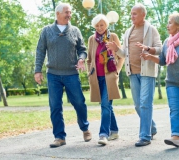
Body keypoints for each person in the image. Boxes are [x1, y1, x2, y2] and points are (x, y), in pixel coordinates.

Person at [140, 13, 179, 147]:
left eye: (170, 23)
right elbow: (162, 60)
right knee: (174, 109)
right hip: (173, 82)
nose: (167, 25)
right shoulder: (167, 42)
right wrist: (150, 57)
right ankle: (175, 137)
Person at [34, 2, 91, 148]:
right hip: (53, 74)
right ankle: (59, 137)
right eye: (67, 12)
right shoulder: (46, 31)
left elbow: (82, 49)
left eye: (70, 12)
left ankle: (85, 128)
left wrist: (81, 59)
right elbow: (40, 51)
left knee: (79, 102)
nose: (69, 14)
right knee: (55, 106)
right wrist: (37, 70)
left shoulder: (75, 30)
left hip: (71, 73)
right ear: (58, 14)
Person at [106, 3, 162, 147]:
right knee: (138, 105)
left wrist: (149, 50)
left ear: (143, 15)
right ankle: (152, 127)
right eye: (131, 14)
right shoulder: (128, 31)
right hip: (132, 72)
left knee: (145, 104)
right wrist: (116, 49)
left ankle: (145, 136)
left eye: (135, 14)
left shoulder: (151, 30)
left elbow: (160, 49)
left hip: (147, 73)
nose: (132, 16)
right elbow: (124, 53)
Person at [87, 14, 124, 145]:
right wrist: (89, 73)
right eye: (97, 26)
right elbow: (89, 60)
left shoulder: (113, 37)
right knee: (107, 105)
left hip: (110, 77)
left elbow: (121, 56)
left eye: (101, 25)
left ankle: (103, 134)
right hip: (97, 78)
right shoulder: (92, 39)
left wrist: (117, 71)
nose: (99, 28)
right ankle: (114, 130)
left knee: (105, 105)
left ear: (106, 25)